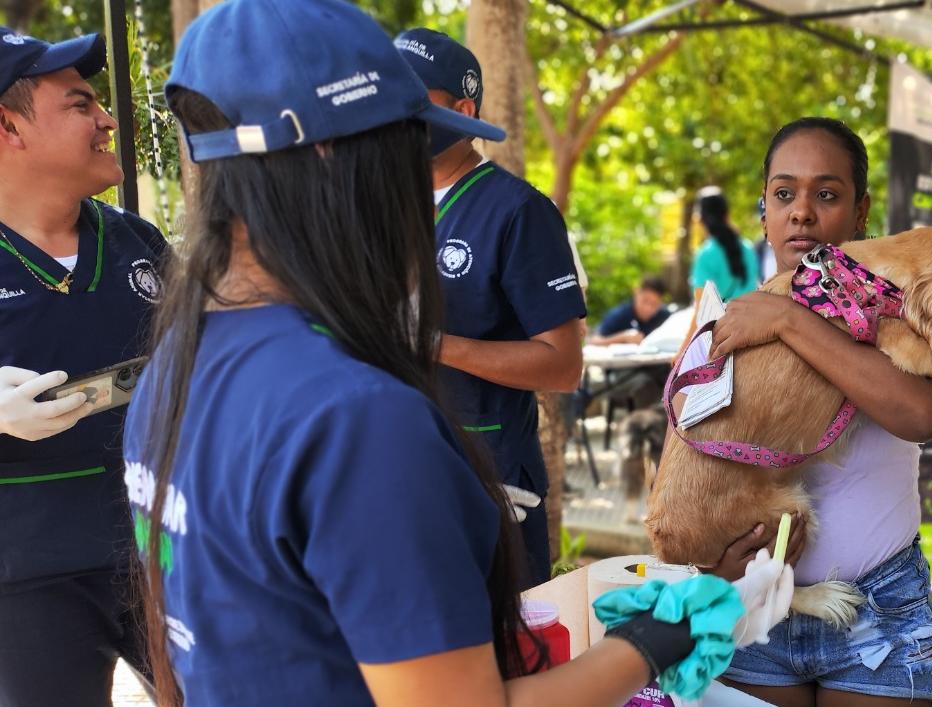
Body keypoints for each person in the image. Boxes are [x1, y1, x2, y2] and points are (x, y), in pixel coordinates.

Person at [125, 2, 788, 705]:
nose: (420, 191)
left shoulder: (176, 364)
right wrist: (654, 640)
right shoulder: (358, 420)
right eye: (407, 155)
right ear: (330, 157)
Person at [694, 117, 932, 706]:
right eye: (784, 195)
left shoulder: (896, 310)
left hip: (878, 611)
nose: (801, 212)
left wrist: (788, 318)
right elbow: (693, 465)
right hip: (753, 603)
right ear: (764, 211)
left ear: (861, 212)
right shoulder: (727, 320)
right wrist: (715, 561)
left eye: (826, 195)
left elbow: (920, 415)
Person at [0, 27, 166, 706]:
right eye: (79, 104)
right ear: (9, 128)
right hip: (28, 577)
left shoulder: (138, 242)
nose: (106, 119)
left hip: (162, 549)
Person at [396, 27, 587, 588]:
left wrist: (437, 345)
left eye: (414, 96)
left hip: (491, 480)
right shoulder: (386, 203)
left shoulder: (517, 211)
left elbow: (563, 365)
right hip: (401, 470)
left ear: (464, 109)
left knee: (504, 661)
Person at [690, 187, 760, 299]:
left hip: (721, 317)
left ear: (699, 218)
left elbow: (701, 308)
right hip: (751, 315)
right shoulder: (748, 249)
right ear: (727, 214)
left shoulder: (705, 255)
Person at [591, 275, 671, 346]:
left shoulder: (666, 318)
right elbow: (594, 341)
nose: (648, 308)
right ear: (637, 293)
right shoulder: (620, 314)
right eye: (645, 300)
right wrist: (622, 337)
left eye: (654, 304)